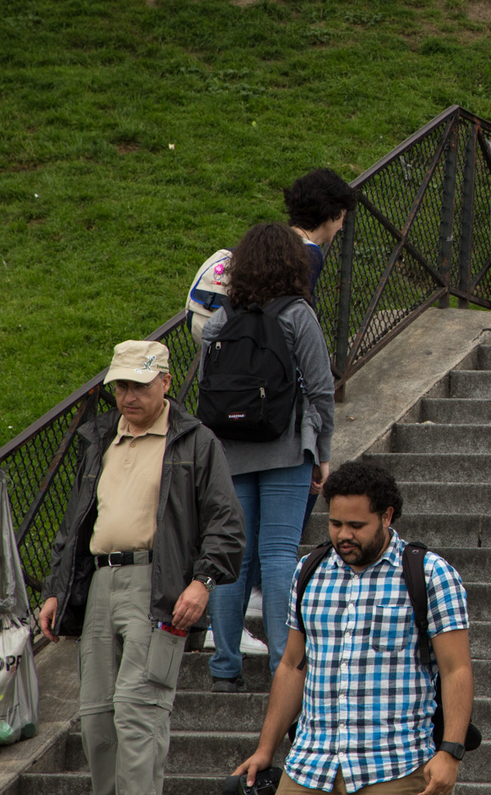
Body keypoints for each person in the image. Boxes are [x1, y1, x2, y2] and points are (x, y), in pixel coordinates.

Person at [38, 340, 243, 795]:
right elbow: (75, 523)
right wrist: (55, 588)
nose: (128, 396)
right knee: (95, 717)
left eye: (139, 385)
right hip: (100, 583)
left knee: (139, 712)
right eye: (121, 386)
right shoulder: (99, 438)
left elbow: (226, 523)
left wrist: (202, 581)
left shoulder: (195, 440)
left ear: (166, 383)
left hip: (159, 583)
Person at [231, 461, 474, 795]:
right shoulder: (308, 571)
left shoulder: (430, 574)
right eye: (335, 523)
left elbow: (456, 668)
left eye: (357, 525)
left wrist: (450, 752)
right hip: (309, 766)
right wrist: (265, 750)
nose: (344, 535)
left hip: (395, 767)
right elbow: (291, 665)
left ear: (387, 517)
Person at [201, 224, 336, 692]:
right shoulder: (298, 315)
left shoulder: (221, 319)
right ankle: (285, 664)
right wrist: (323, 453)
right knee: (279, 556)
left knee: (230, 558)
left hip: (230, 451)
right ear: (292, 265)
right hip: (285, 449)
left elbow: (207, 386)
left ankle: (224, 666)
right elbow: (320, 391)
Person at [284, 168, 356, 300]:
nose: (341, 227)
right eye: (342, 217)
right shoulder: (309, 254)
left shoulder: (274, 238)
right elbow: (299, 309)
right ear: (333, 214)